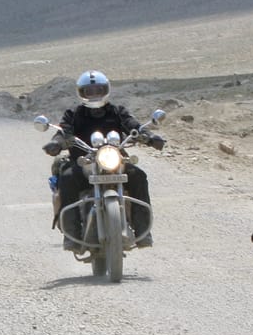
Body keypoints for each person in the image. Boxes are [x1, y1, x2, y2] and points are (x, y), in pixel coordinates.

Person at [42, 70, 165, 248]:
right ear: (81, 93)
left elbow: (134, 126)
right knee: (67, 178)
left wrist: (150, 137)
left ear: (106, 90)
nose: (94, 95)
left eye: (98, 90)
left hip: (115, 161)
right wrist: (57, 142)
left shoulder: (117, 111)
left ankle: (142, 231)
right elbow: (63, 131)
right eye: (89, 91)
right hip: (84, 163)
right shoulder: (73, 114)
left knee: (139, 176)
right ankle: (72, 235)